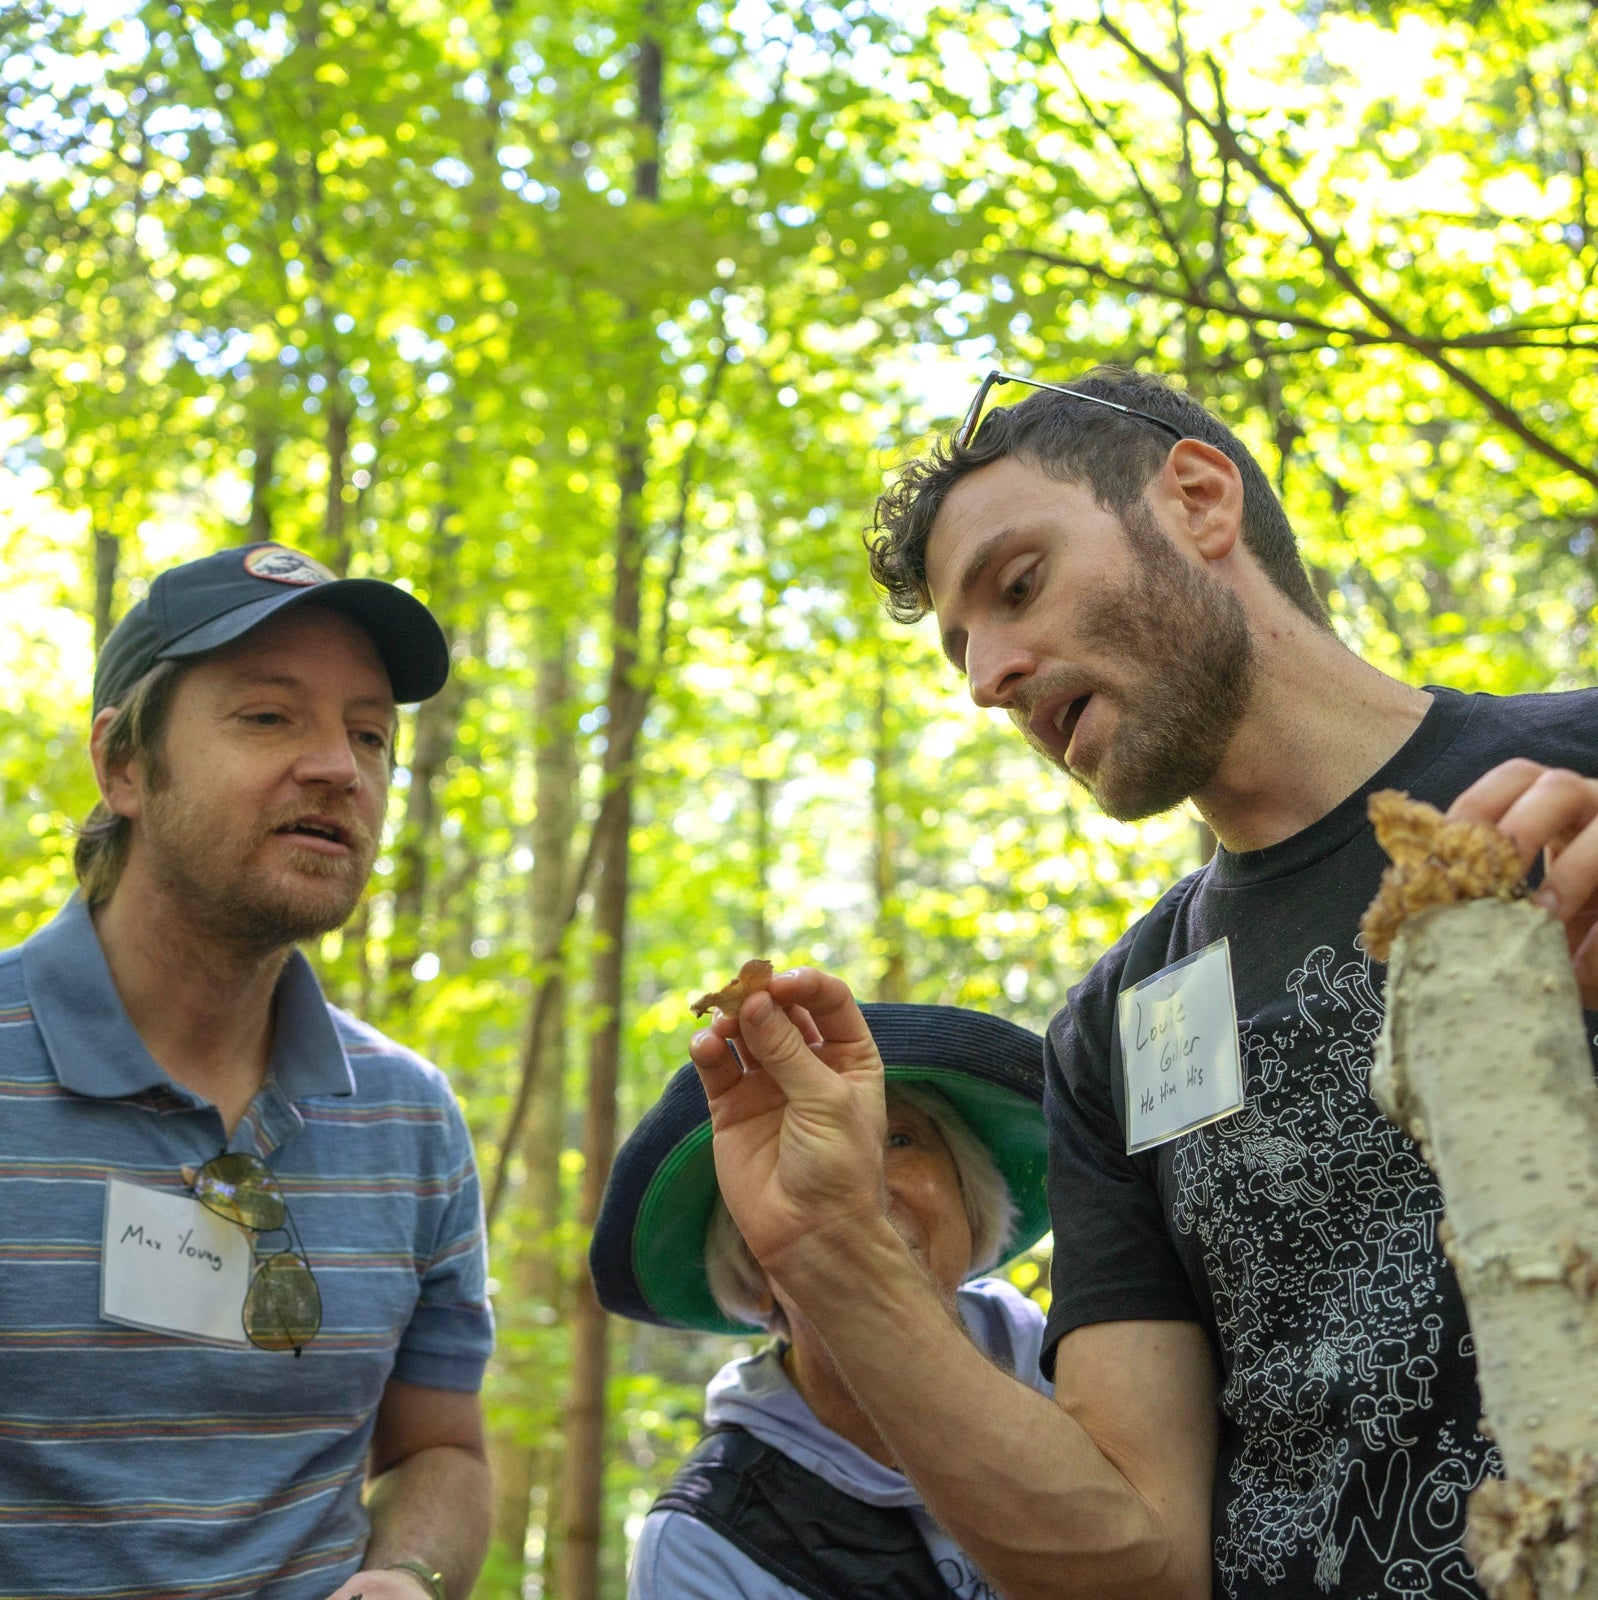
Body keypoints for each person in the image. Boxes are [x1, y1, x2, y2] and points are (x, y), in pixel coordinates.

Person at [687, 368, 1598, 1600]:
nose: (986, 679)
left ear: (1197, 498)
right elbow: (1136, 1562)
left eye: (1017, 586)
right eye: (961, 650)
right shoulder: (1117, 1028)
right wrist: (832, 1249)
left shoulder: (1578, 763)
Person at [0, 543, 494, 1600]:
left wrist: (409, 1572)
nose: (339, 767)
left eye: (369, 734)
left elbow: (440, 1452)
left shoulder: (410, 1119)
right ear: (123, 765)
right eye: (270, 717)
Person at [590, 1001, 1054, 1599]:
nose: (856, 1186)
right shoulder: (708, 1541)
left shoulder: (1081, 1373)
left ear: (971, 1201)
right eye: (794, 1159)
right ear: (751, 1264)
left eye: (898, 1137)